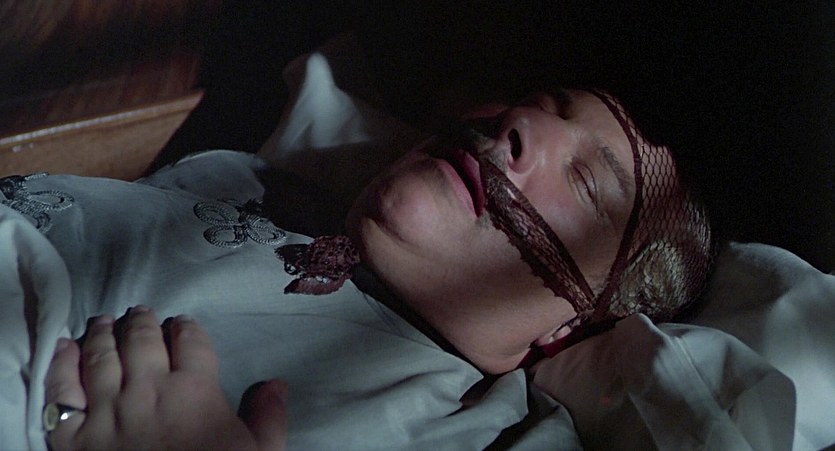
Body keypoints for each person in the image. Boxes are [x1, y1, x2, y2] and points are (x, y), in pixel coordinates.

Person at [6, 79, 710, 449]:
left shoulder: (495, 438)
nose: (518, 125)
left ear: (567, 329)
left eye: (586, 182)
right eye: (530, 105)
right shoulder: (245, 177)